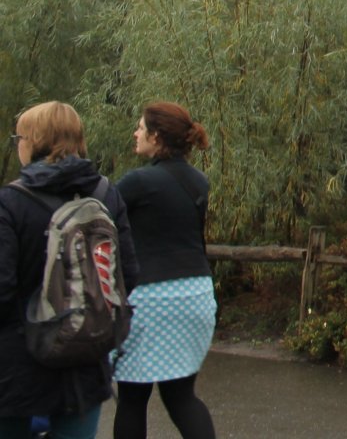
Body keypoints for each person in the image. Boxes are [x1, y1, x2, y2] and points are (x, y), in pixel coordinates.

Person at [0, 101, 140, 439]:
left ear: (33, 141)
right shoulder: (106, 194)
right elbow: (129, 273)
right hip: (85, 356)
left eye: (19, 137)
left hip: (17, 365)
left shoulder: (10, 202)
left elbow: (2, 289)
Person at [111, 103, 216, 439]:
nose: (136, 133)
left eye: (141, 128)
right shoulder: (199, 181)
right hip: (196, 295)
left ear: (156, 137)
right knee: (181, 397)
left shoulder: (138, 182)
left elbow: (101, 220)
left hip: (150, 298)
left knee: (132, 398)